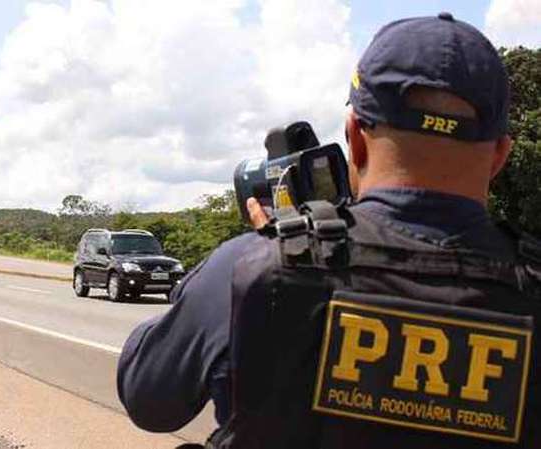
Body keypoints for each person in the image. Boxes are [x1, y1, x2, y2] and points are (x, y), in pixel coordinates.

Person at [117, 13, 540, 448]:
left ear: (354, 136)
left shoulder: (251, 268)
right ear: (499, 156)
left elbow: (149, 400)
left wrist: (268, 252)